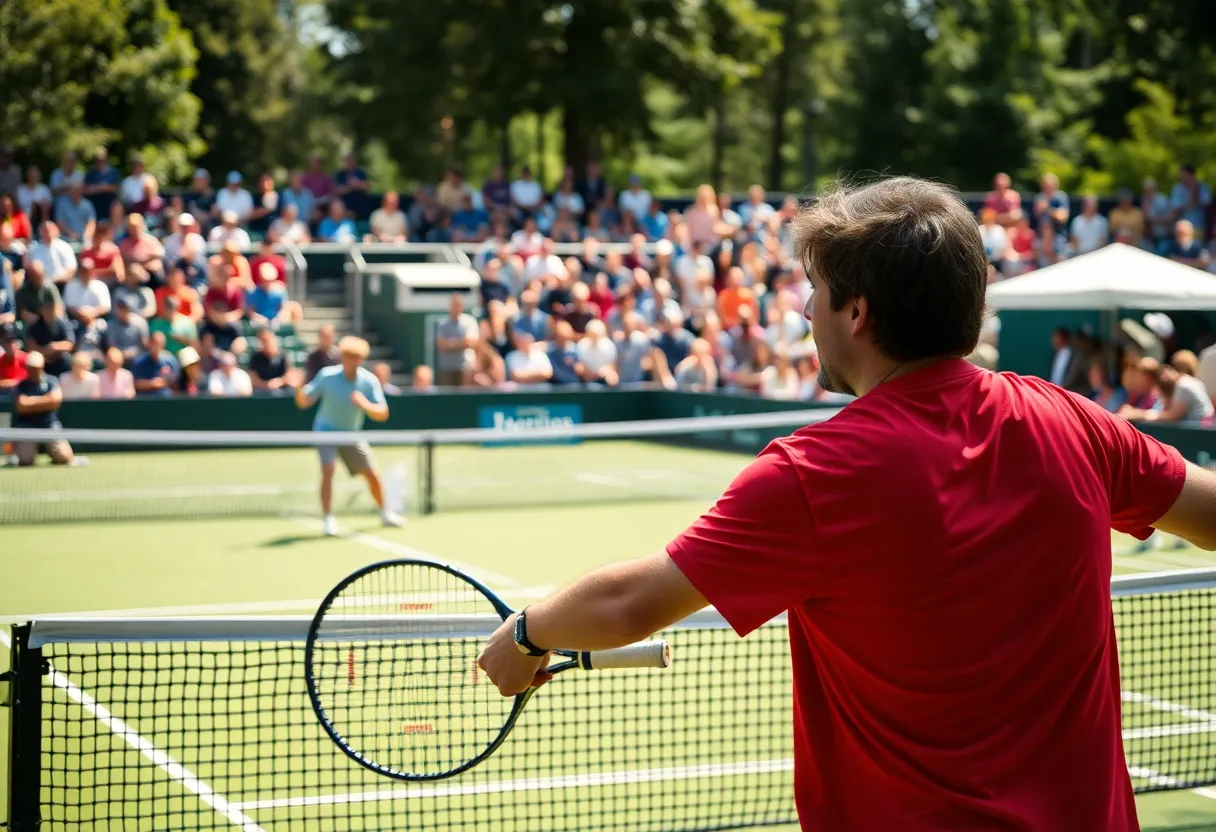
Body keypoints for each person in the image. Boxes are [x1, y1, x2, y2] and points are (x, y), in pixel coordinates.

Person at [476, 176, 1216, 832]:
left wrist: (527, 636)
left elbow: (630, 604)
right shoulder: (1073, 420)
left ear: (856, 312)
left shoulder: (815, 473)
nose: (803, 307)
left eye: (816, 289)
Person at [294, 335, 403, 536]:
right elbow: (304, 402)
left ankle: (385, 513)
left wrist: (365, 404)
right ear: (341, 357)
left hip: (351, 434)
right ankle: (328, 519)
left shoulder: (368, 381)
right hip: (325, 431)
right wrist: (298, 387)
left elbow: (383, 413)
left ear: (361, 359)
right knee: (328, 469)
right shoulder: (327, 376)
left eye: (356, 357)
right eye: (347, 356)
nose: (351, 360)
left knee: (372, 474)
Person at [9, 351, 82, 467]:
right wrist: (45, 401)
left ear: (42, 367)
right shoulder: (21, 385)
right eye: (30, 367)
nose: (33, 370)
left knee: (64, 457)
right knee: (25, 460)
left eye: (36, 367)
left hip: (49, 426)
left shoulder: (52, 381)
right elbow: (21, 406)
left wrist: (30, 401)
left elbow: (55, 401)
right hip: (26, 427)